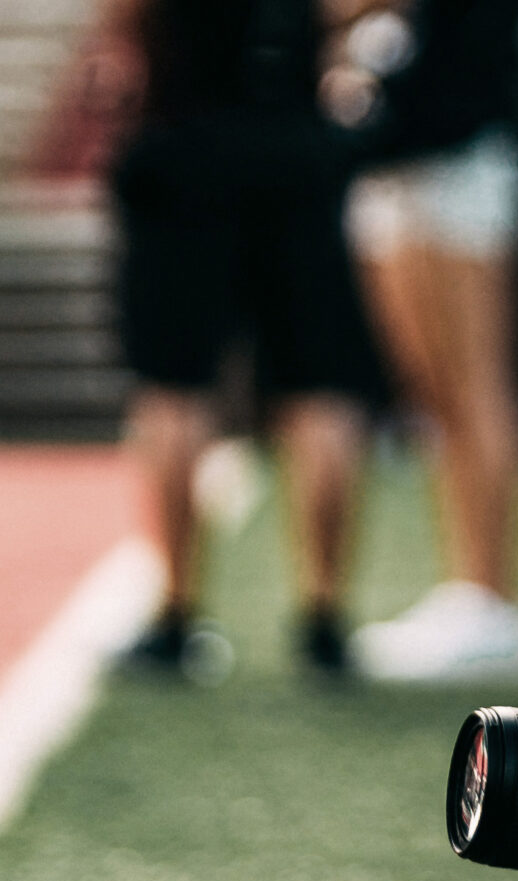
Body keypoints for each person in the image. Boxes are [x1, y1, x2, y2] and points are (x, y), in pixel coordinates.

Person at [111, 0, 378, 678]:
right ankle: (324, 623)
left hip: (186, 148)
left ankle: (175, 619)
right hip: (294, 153)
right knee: (320, 388)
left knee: (175, 389)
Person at [334, 0, 518, 681]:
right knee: (437, 396)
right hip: (403, 167)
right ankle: (468, 590)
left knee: (476, 384)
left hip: (458, 163)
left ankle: (494, 600)